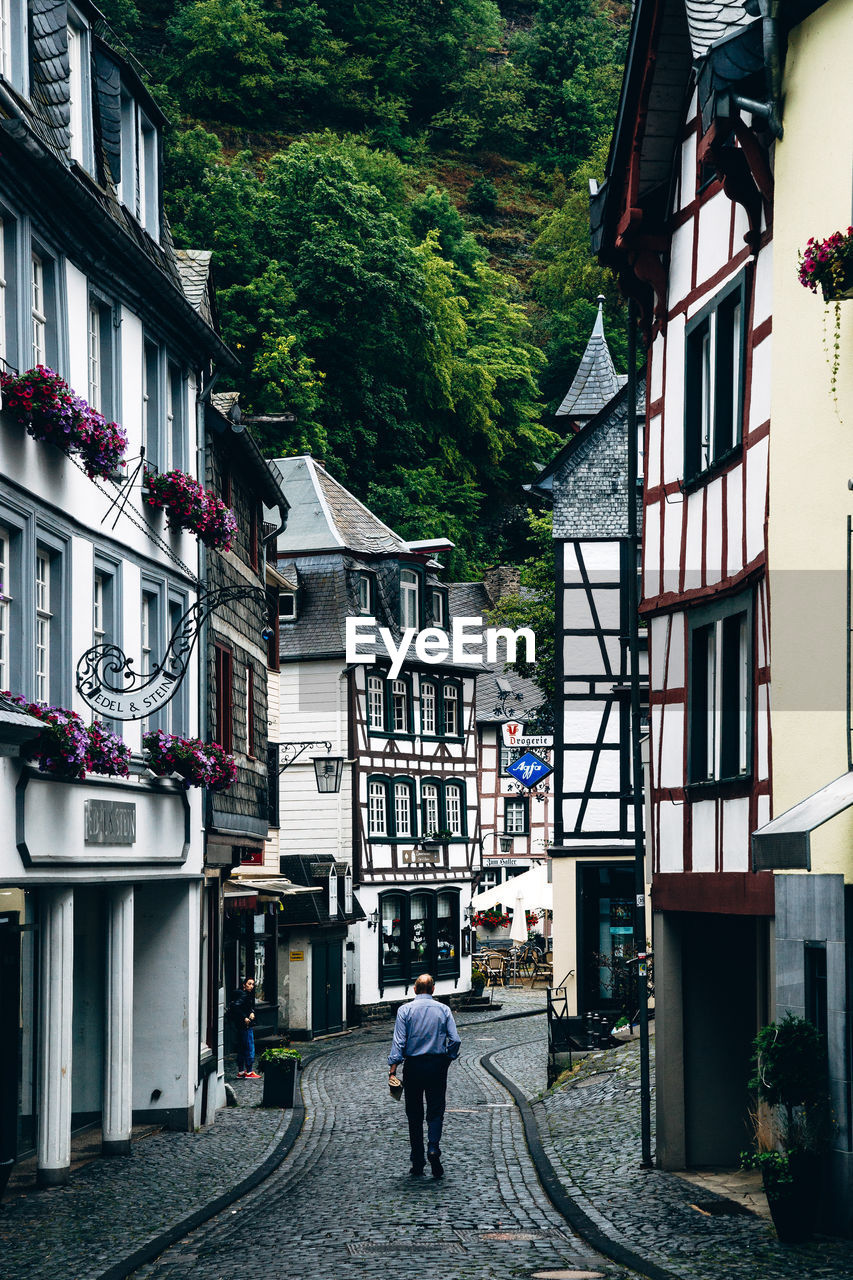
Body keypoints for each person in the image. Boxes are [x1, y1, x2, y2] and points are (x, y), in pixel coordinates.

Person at [387, 973, 461, 1178]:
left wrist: (393, 1070)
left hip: (414, 1066)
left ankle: (417, 1161)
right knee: (436, 1110)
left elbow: (399, 1044)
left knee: (414, 1113)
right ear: (433, 990)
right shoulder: (444, 1010)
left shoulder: (405, 1011)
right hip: (437, 1065)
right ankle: (433, 1148)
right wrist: (448, 1058)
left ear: (414, 989)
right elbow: (455, 1039)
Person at [229, 976, 258, 1078]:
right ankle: (249, 1072)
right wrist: (245, 1017)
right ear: (244, 985)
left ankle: (241, 1071)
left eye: (253, 984)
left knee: (241, 1048)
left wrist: (251, 1012)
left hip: (239, 1026)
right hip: (245, 1026)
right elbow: (235, 1006)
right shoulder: (244, 995)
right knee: (249, 1047)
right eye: (249, 984)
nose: (251, 986)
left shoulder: (244, 995)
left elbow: (244, 1007)